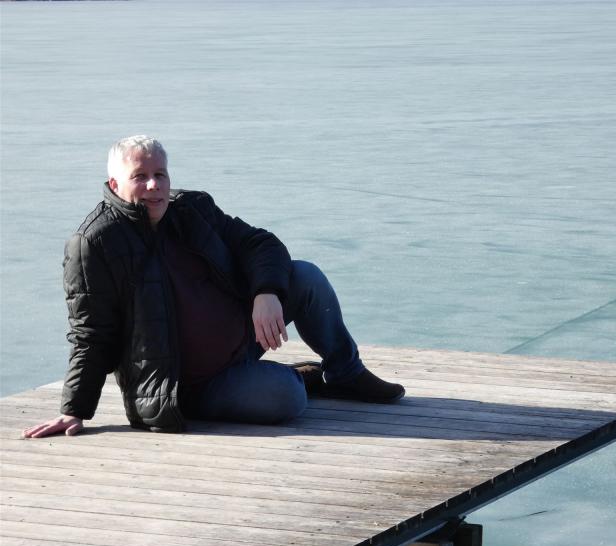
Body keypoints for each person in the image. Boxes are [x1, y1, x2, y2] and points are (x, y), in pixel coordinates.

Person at [23, 135, 404, 438]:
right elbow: (92, 334)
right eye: (140, 177)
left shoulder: (192, 209)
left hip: (243, 338)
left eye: (161, 174)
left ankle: (345, 374)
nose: (154, 185)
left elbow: (260, 243)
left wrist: (266, 293)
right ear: (114, 183)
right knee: (287, 398)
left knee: (305, 276)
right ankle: (297, 377)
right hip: (189, 385)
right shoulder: (94, 244)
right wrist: (74, 410)